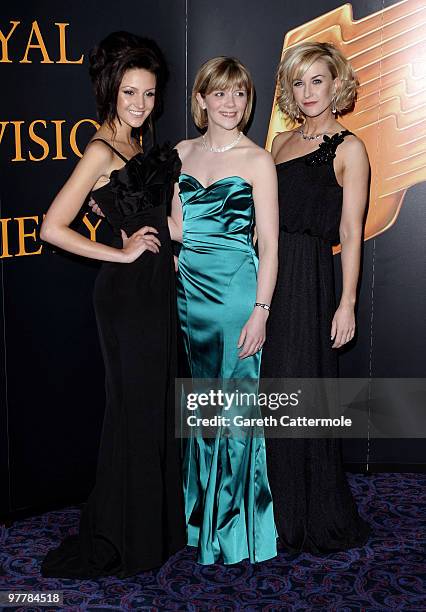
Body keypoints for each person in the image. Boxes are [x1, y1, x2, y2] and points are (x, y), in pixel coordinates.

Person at [40, 31, 185, 578]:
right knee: (133, 412)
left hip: (158, 288)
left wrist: (169, 241)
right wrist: (118, 255)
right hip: (126, 296)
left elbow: (154, 217)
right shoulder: (101, 148)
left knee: (155, 409)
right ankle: (123, 535)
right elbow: (51, 226)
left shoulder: (139, 146)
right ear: (110, 92)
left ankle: (153, 529)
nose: (140, 105)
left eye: (148, 95)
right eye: (130, 94)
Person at [168, 57, 279, 565]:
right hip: (190, 294)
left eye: (239, 94)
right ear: (202, 100)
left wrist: (260, 310)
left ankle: (235, 531)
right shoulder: (179, 154)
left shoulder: (258, 160)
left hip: (238, 294)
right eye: (220, 93)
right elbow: (175, 230)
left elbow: (271, 248)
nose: (230, 104)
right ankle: (199, 521)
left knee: (236, 412)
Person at [261, 42, 370, 552]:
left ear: (336, 83)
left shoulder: (350, 148)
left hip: (307, 277)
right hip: (265, 272)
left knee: (299, 390)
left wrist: (346, 301)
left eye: (317, 80)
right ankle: (271, 510)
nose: (308, 92)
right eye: (299, 82)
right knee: (268, 391)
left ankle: (308, 512)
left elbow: (350, 231)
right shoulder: (279, 144)